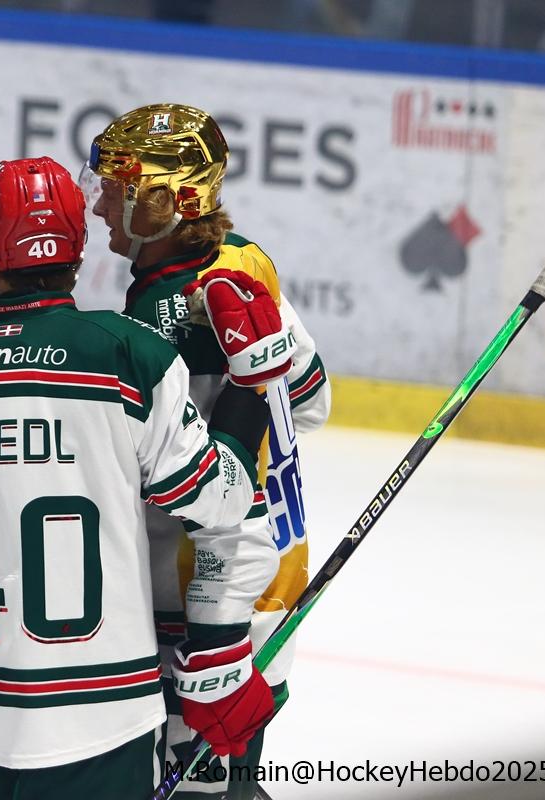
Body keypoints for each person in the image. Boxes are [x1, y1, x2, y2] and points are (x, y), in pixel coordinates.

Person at [0, 156, 280, 799]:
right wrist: (251, 386)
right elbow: (219, 501)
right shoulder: (132, 354)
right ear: (79, 250)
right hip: (102, 705)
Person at [83, 103, 331, 798]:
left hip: (203, 605)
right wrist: (270, 346)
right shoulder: (244, 260)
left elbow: (197, 483)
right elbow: (311, 402)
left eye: (115, 191)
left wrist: (214, 637)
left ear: (162, 202)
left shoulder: (163, 317)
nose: (99, 206)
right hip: (272, 580)